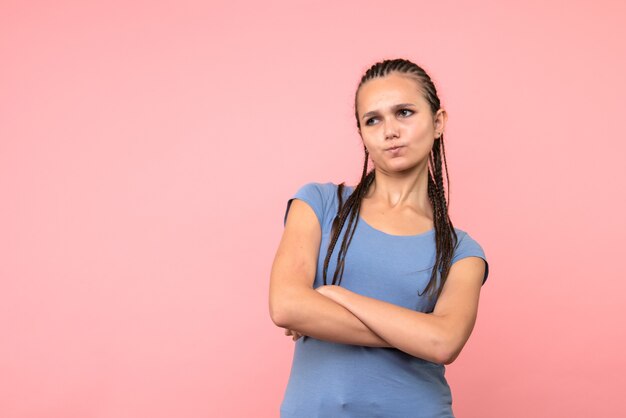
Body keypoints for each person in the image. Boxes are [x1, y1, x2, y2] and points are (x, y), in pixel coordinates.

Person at [269, 58, 490, 418]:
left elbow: (444, 342)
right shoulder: (319, 204)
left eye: (404, 112)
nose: (390, 130)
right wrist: (414, 335)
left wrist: (334, 297)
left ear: (438, 123)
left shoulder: (462, 251)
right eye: (373, 119)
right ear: (362, 134)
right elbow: (287, 306)